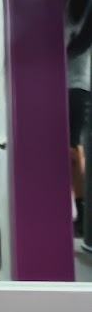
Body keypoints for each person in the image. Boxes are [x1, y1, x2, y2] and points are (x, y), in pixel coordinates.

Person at [67, 46, 91, 236]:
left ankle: (83, 213)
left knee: (73, 150)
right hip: (68, 87)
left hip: (76, 88)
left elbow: (70, 50)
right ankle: (82, 213)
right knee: (71, 150)